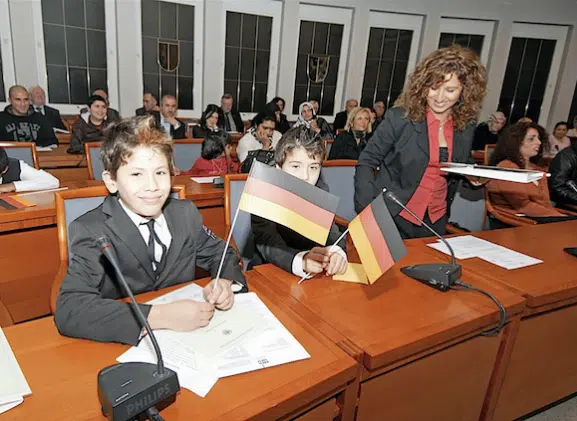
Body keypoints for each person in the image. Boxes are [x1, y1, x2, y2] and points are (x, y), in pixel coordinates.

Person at [54, 116, 247, 345]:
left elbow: (220, 253)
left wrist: (224, 281)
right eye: (137, 174)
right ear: (111, 181)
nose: (153, 186)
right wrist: (159, 316)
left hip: (192, 338)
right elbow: (70, 308)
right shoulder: (91, 229)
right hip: (121, 341)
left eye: (160, 173)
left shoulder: (184, 213)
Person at [354, 45, 487, 239]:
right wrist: (367, 210)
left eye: (450, 90)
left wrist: (474, 177)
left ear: (464, 91)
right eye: (434, 88)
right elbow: (366, 162)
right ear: (423, 85)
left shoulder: (466, 125)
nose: (440, 98)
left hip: (437, 219)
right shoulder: (400, 118)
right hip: (393, 216)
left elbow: (461, 163)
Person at [251, 127, 348, 277]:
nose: (305, 176)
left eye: (314, 167)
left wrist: (336, 252)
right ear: (279, 167)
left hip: (316, 270)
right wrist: (301, 260)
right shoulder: (264, 190)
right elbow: (268, 242)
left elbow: (332, 233)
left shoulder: (320, 189)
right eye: (296, 166)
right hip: (271, 268)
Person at [487, 123, 571, 221]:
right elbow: (524, 206)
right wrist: (560, 217)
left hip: (540, 218)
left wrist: (557, 216)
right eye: (531, 139)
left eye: (538, 138)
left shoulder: (536, 168)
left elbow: (546, 204)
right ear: (516, 142)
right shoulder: (506, 167)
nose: (539, 142)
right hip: (517, 223)